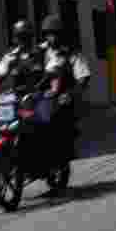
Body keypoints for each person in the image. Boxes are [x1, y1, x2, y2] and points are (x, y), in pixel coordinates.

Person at [40, 14, 92, 162]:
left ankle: (61, 151)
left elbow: (83, 77)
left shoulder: (72, 53)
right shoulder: (38, 51)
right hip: (39, 95)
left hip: (62, 97)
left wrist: (70, 93)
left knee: (59, 120)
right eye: (49, 34)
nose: (52, 38)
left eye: (55, 34)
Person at [0, 19, 46, 104]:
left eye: (25, 36)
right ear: (16, 38)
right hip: (20, 102)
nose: (23, 40)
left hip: (41, 99)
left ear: (31, 37)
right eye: (20, 37)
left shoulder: (41, 52)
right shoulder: (11, 57)